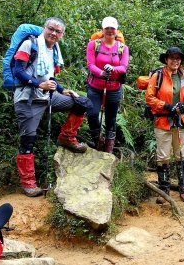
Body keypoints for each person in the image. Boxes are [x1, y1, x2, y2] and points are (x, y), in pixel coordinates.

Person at [13, 17, 91, 197]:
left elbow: (50, 77)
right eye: (51, 29)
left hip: (48, 96)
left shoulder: (54, 49)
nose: (54, 33)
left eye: (58, 31)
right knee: (28, 140)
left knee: (82, 102)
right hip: (27, 98)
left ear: (62, 35)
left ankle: (66, 138)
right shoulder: (29, 44)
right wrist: (38, 84)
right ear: (44, 28)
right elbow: (18, 70)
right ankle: (28, 183)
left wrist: (63, 90)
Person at [146, 47, 184, 202]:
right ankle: (164, 189)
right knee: (163, 157)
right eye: (172, 58)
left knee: (181, 155)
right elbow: (150, 97)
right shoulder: (157, 76)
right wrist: (166, 106)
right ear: (166, 60)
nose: (175, 61)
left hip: (180, 122)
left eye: (178, 58)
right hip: (162, 121)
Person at [86, 17, 129, 154]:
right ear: (103, 30)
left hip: (114, 88)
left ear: (116, 31)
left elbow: (124, 67)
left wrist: (113, 69)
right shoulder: (94, 45)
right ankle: (97, 141)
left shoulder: (123, 48)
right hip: (95, 86)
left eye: (112, 29)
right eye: (107, 28)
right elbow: (90, 65)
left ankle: (109, 148)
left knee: (111, 118)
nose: (110, 31)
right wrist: (101, 73)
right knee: (92, 114)